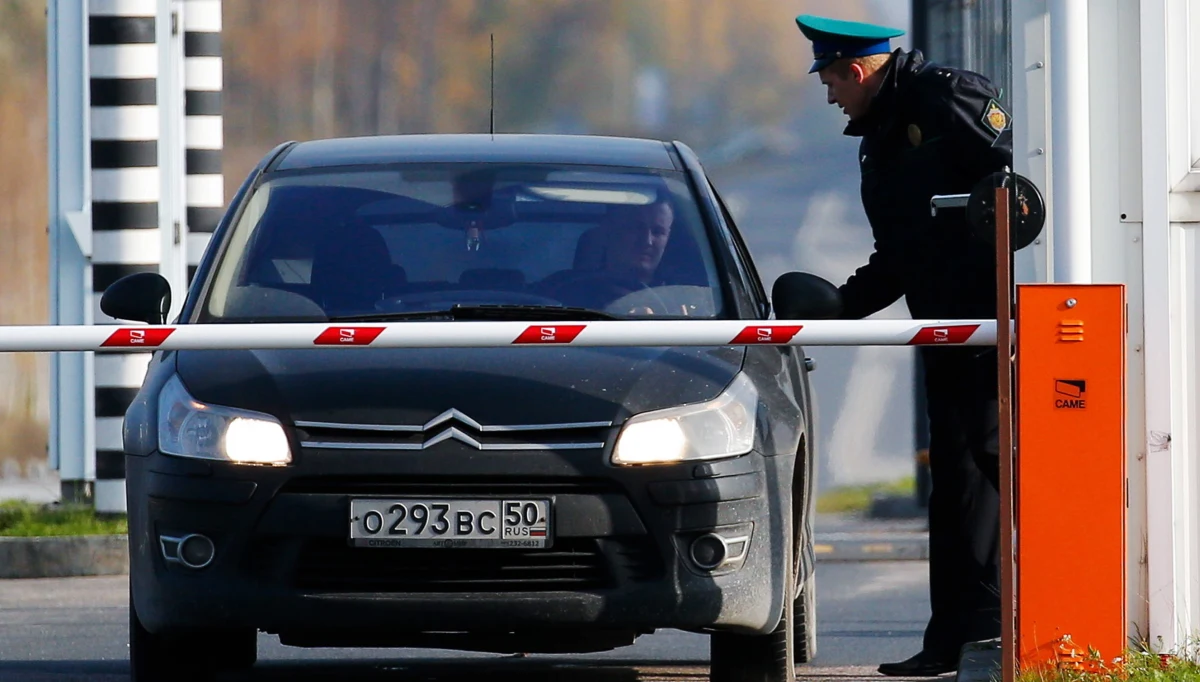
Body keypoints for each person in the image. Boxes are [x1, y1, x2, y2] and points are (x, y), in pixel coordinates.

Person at [793, 13, 1012, 677]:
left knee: (993, 474)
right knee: (955, 485)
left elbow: (1024, 185)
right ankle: (954, 636)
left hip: (995, 328)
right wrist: (840, 308)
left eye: (831, 79)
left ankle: (1008, 626)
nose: (830, 94)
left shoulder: (951, 100)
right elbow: (901, 253)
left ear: (855, 70)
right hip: (945, 332)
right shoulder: (882, 137)